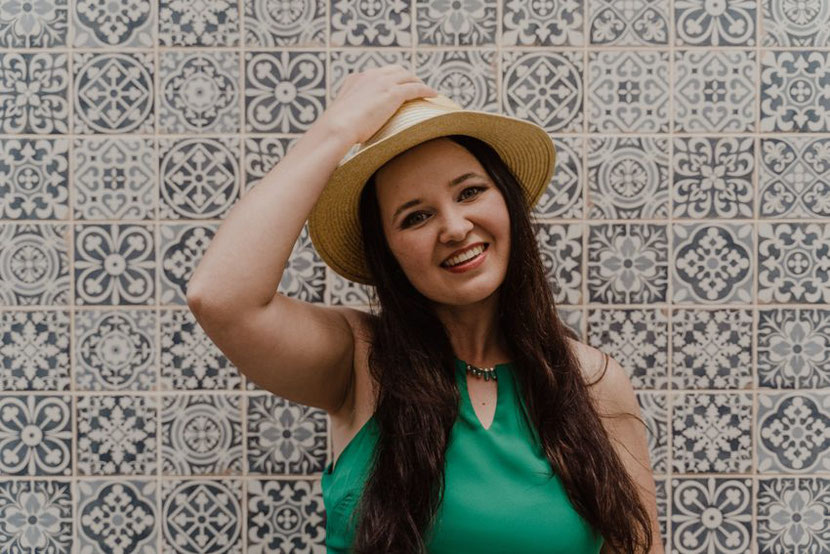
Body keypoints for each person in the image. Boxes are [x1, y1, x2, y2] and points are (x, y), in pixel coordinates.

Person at [186, 64, 663, 553]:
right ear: (386, 252)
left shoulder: (594, 382)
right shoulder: (359, 361)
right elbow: (221, 298)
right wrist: (335, 131)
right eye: (416, 216)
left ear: (508, 202)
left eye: (470, 191)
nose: (455, 227)